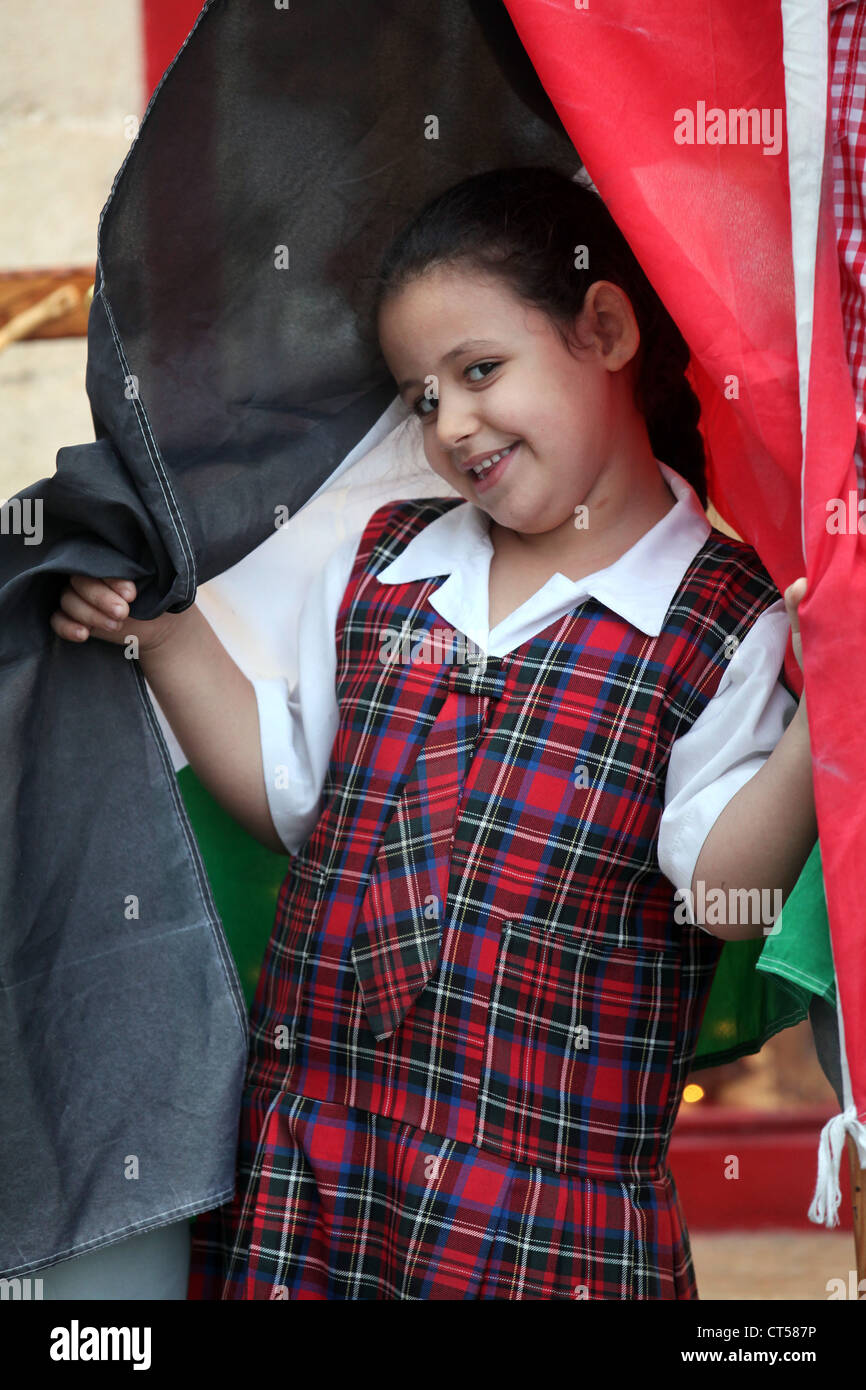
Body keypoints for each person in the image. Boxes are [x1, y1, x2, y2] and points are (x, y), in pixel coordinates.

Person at [50, 165, 816, 1299]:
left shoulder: (720, 618)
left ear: (603, 328)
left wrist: (830, 715)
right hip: (312, 1173)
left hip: (534, 1227)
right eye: (420, 396)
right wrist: (163, 640)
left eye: (479, 371)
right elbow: (296, 802)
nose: (449, 424)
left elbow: (717, 894)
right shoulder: (389, 559)